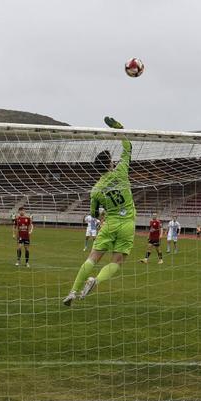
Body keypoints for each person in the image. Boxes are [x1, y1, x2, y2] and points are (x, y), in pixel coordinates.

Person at [64, 116, 135, 306]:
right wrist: (119, 129)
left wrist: (102, 214)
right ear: (111, 162)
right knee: (117, 262)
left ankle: (73, 291)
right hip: (127, 223)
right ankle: (96, 281)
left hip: (109, 223)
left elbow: (94, 214)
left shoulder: (96, 190)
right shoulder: (121, 171)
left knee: (92, 259)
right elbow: (128, 147)